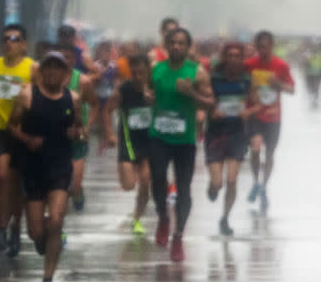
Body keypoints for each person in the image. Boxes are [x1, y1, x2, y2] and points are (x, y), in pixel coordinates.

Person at [8, 51, 82, 282]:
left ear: (64, 73)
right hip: (33, 167)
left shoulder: (73, 98)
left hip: (60, 166)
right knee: (36, 232)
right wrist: (27, 139)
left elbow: (78, 128)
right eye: (47, 67)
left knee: (57, 220)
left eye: (57, 68)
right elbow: (12, 125)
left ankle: (48, 279)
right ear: (41, 71)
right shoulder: (28, 95)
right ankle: (46, 243)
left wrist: (76, 133)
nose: (52, 73)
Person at [149, 27, 213, 262]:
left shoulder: (197, 73)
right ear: (166, 45)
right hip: (158, 134)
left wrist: (192, 95)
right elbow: (149, 90)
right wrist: (148, 96)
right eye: (172, 42)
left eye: (181, 43)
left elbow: (210, 104)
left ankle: (178, 236)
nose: (176, 46)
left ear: (188, 47)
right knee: (157, 178)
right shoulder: (156, 69)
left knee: (184, 188)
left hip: (184, 140)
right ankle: (163, 218)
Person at [0, 24, 36, 256]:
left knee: (17, 186)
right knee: (1, 177)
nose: (9, 43)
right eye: (5, 39)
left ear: (24, 43)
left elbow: (38, 97)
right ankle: (1, 227)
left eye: (14, 39)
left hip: (21, 131)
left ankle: (15, 227)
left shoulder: (32, 68)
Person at [206, 43, 257, 236]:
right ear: (224, 58)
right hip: (215, 132)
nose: (234, 59)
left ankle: (225, 218)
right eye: (230, 55)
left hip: (237, 132)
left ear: (242, 58)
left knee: (232, 180)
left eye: (238, 56)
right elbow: (204, 102)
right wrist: (212, 112)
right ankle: (212, 186)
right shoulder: (213, 78)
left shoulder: (246, 80)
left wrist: (248, 112)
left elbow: (257, 104)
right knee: (219, 182)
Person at [103, 54, 154, 235]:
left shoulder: (156, 89)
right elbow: (108, 110)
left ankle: (137, 219)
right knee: (128, 185)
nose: (138, 77)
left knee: (146, 181)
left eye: (142, 72)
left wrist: (155, 102)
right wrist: (109, 134)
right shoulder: (123, 90)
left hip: (150, 141)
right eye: (134, 73)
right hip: (129, 141)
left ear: (148, 72)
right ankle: (135, 211)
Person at [244, 30, 295, 212]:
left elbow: (291, 89)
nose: (263, 51)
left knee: (270, 154)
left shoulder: (280, 66)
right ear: (256, 47)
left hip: (274, 117)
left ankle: (264, 186)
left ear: (272, 47)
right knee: (256, 147)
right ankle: (256, 181)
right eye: (260, 48)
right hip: (256, 115)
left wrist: (278, 85)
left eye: (266, 47)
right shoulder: (249, 64)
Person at [59, 43, 99, 211]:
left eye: (67, 58)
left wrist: (87, 127)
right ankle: (59, 220)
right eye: (60, 58)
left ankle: (78, 190)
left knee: (73, 184)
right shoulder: (46, 80)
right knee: (58, 185)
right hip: (55, 138)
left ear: (74, 60)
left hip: (77, 138)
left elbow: (95, 105)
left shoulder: (82, 81)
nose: (63, 61)